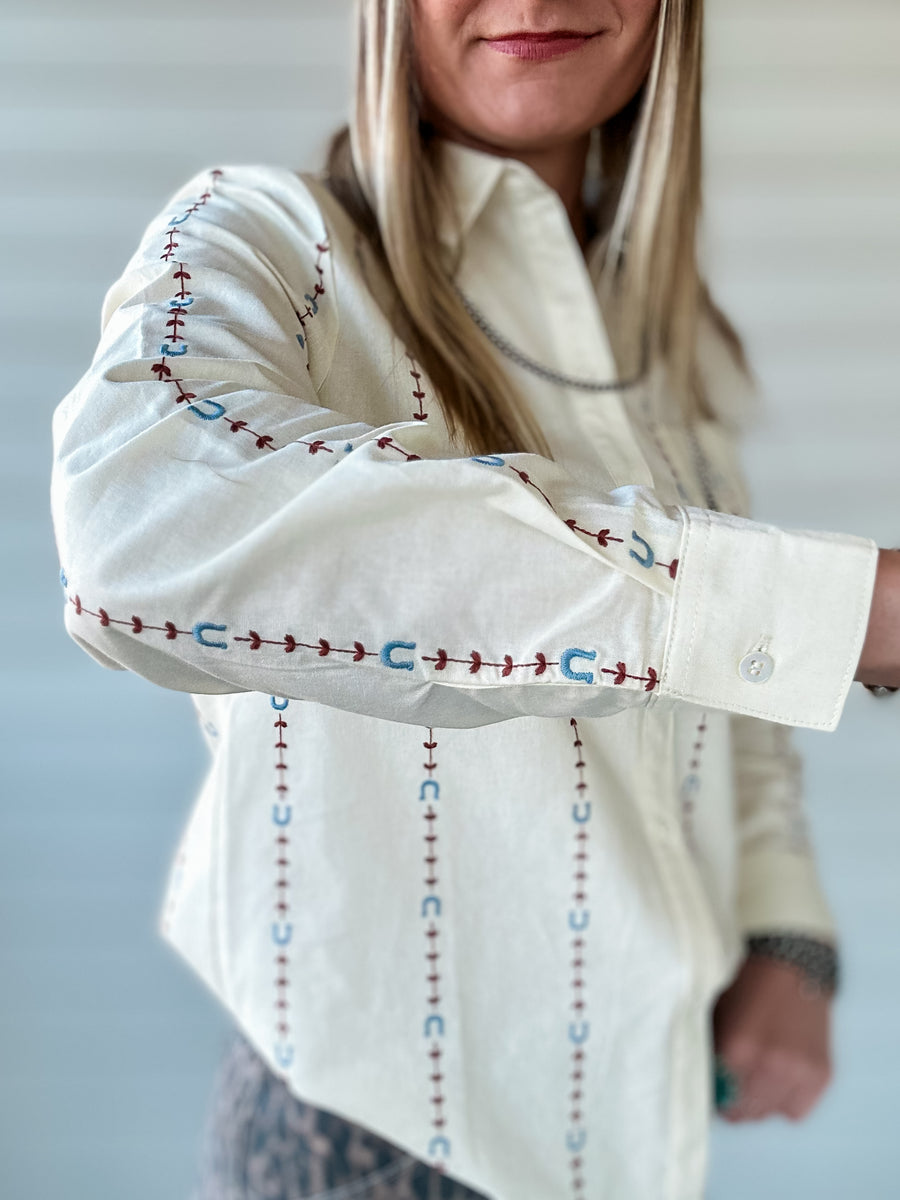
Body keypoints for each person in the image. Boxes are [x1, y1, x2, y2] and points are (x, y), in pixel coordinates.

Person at [49, 1, 899, 1198]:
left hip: (636, 1127)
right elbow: (133, 525)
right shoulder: (261, 240)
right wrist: (836, 611)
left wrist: (785, 930)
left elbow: (724, 703)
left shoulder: (664, 336)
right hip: (369, 1143)